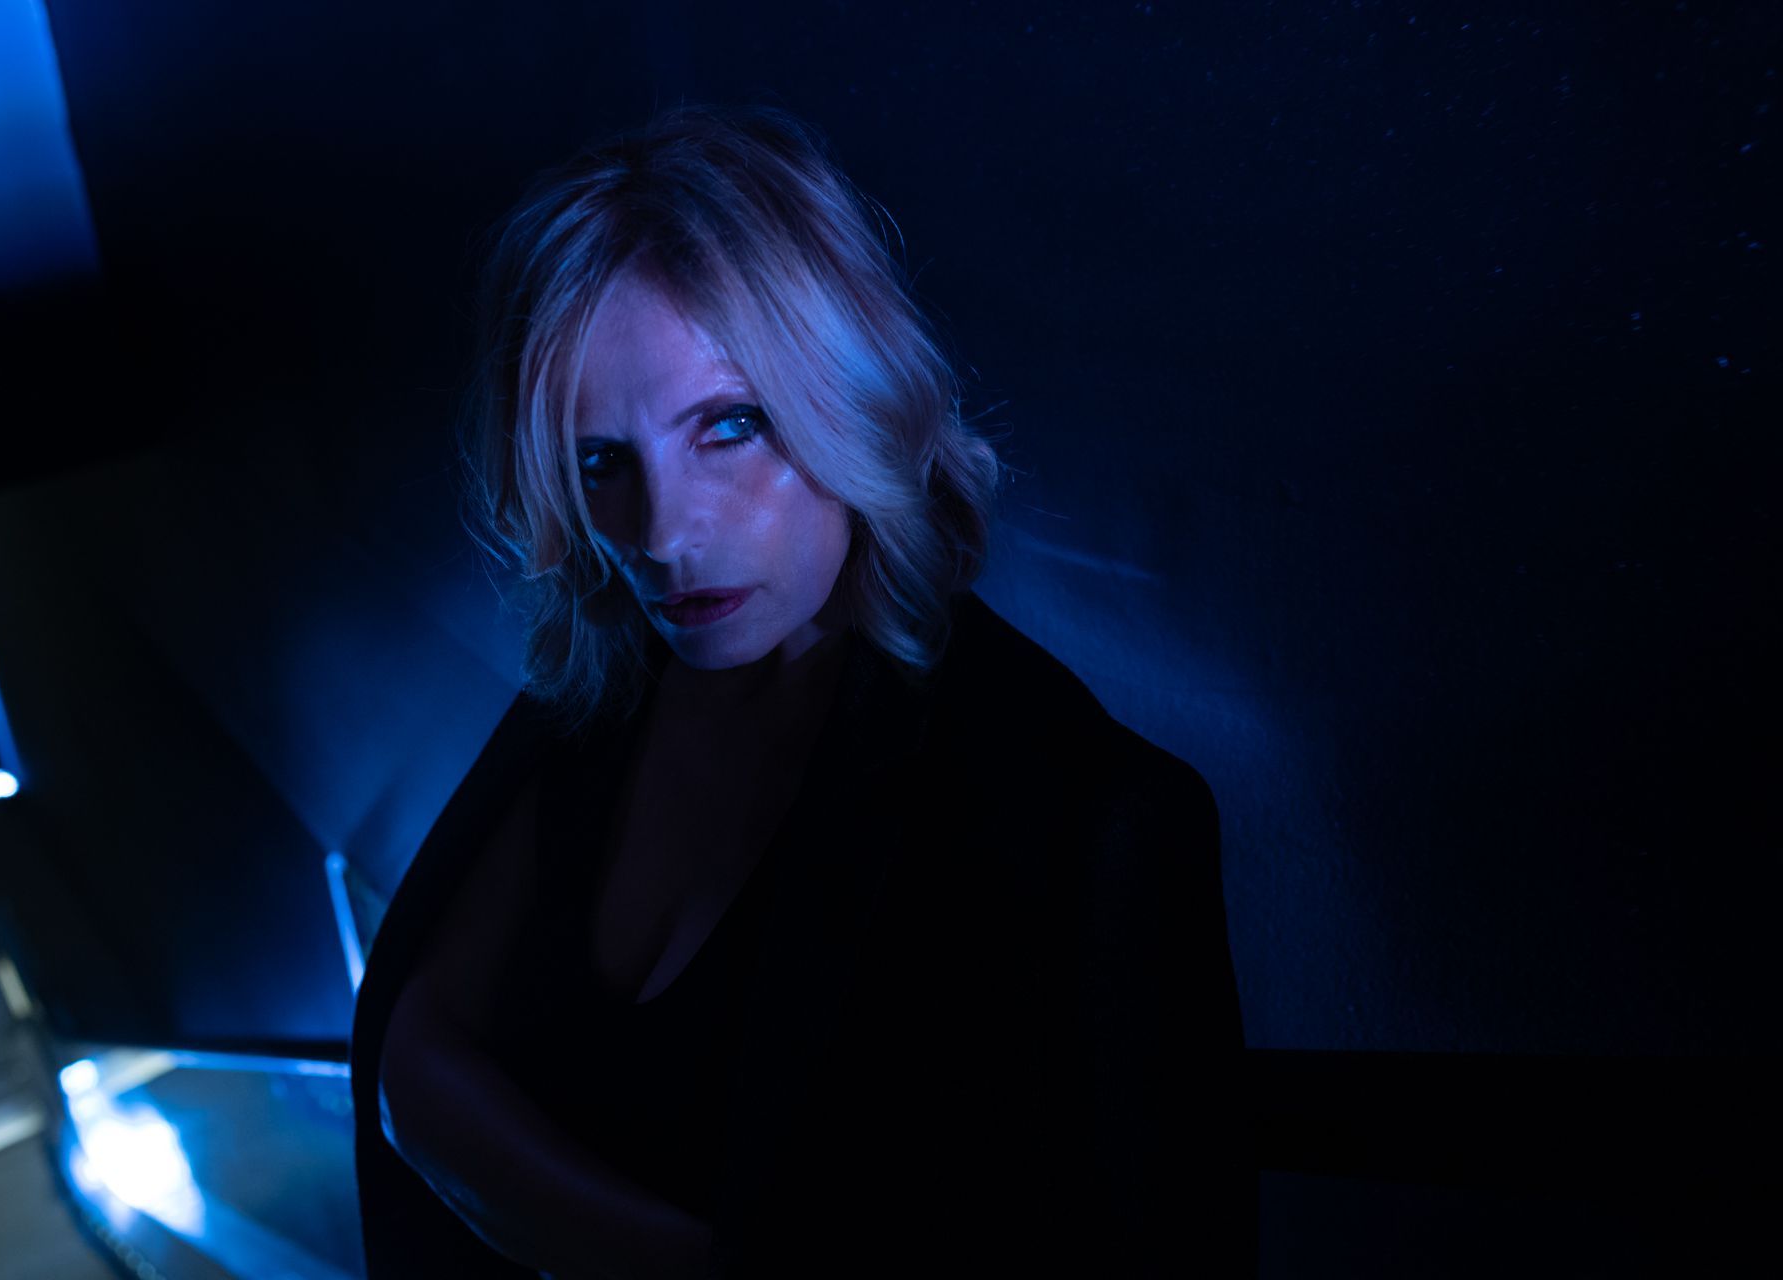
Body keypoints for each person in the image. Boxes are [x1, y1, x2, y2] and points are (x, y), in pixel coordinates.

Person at [349, 102, 1254, 1278]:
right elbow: (415, 1062)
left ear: (848, 397)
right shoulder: (595, 712)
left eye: (729, 426)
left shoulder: (1086, 818)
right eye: (601, 460)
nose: (664, 532)